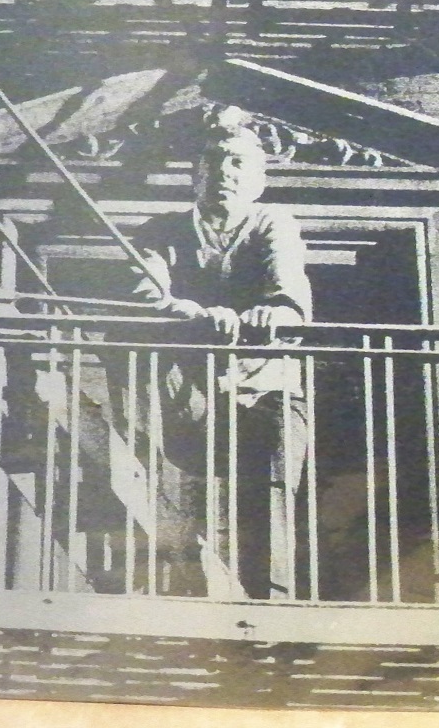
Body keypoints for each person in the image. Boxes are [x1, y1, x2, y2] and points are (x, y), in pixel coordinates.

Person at [128, 110, 312, 599]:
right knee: (169, 472)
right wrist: (190, 312)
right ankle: (171, 591)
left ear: (258, 180)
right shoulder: (160, 231)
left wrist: (272, 313)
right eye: (212, 162)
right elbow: (144, 294)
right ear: (195, 176)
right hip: (189, 396)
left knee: (274, 474)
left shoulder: (272, 223)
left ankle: (271, 595)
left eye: (237, 163)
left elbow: (289, 294)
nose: (223, 173)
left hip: (266, 386)